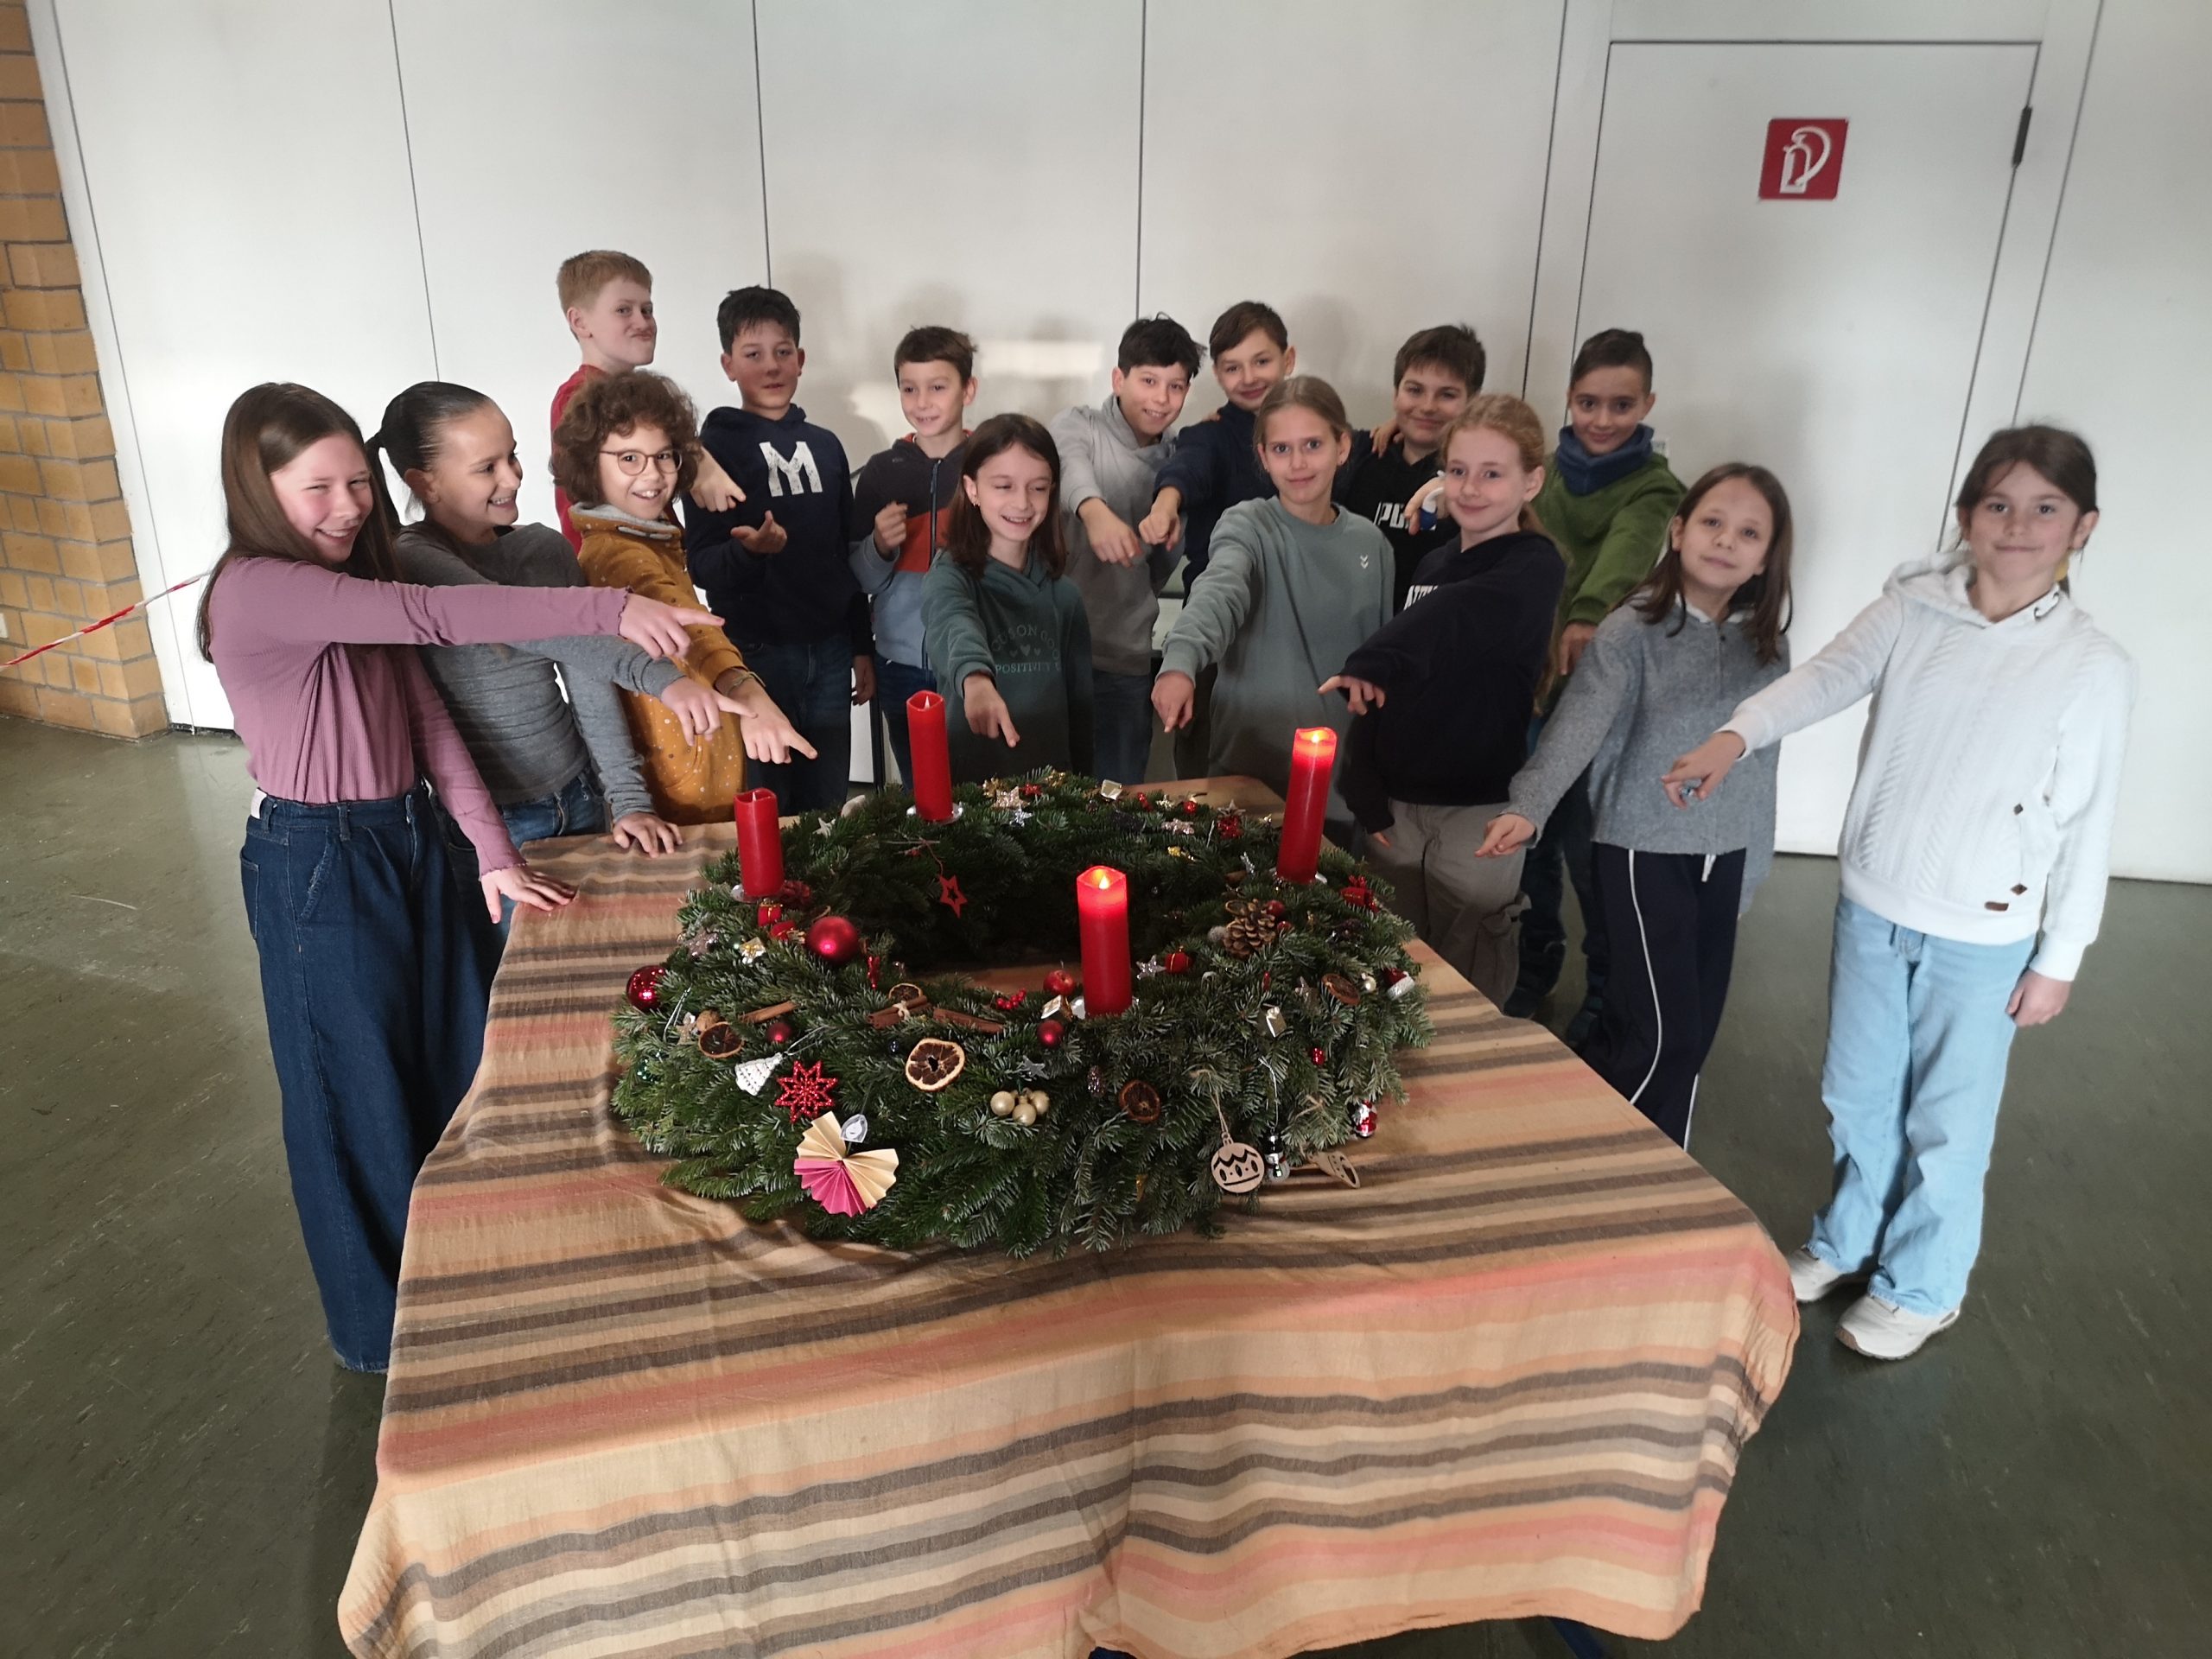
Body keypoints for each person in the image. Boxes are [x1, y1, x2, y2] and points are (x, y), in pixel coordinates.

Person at [200, 382, 715, 1371]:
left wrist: (492, 851)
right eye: (317, 488)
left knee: (454, 1065)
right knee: (354, 1095)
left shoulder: (351, 572)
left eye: (356, 482)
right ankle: (381, 1335)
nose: (347, 506)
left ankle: (461, 1272)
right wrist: (611, 604)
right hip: (318, 860)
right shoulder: (262, 587)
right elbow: (438, 615)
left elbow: (427, 721)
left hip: (406, 839)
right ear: (260, 491)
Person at [1664, 426, 2133, 1359]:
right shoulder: (1912, 609)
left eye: (2044, 508)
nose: (2018, 525)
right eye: (1998, 504)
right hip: (1875, 908)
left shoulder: (2093, 665)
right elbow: (1828, 677)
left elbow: (2089, 818)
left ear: (2082, 527)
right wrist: (1736, 735)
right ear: (1966, 515)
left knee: (1948, 1121)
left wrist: (2061, 955)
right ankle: (1850, 1239)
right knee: (1857, 1091)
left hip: (1985, 934)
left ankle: (1923, 1285)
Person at [1479, 463, 1796, 1145]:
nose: (1726, 540)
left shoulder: (1768, 646)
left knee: (1688, 1033)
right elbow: (1577, 727)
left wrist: (1755, 865)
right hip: (1640, 850)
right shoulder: (1632, 630)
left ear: (1767, 557)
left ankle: (1626, 1149)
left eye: (1749, 533)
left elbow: (1765, 765)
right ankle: (1630, 1168)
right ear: (1678, 531)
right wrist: (1529, 806)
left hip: (1727, 855)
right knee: (1663, 1038)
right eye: (1712, 522)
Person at [376, 381, 757, 934]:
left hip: (580, 797)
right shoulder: (414, 562)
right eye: (487, 468)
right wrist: (661, 677)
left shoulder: (543, 549)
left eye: (512, 456)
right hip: (497, 824)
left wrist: (628, 800)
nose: (514, 478)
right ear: (424, 482)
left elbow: (587, 678)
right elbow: (528, 623)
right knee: (523, 967)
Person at [1417, 328, 1684, 1038]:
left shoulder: (1654, 486)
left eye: (1621, 405)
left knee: (1587, 850)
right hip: (1531, 691)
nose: (1602, 419)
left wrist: (1588, 615)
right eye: (1588, 402)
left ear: (1647, 405)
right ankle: (1534, 968)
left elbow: (1626, 552)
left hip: (1599, 694)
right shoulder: (1545, 470)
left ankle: (1605, 995)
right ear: (1569, 399)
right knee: (1527, 840)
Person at [1324, 395, 1562, 1003]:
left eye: (1492, 473)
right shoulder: (1432, 563)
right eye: (1457, 471)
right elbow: (1396, 680)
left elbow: (1455, 615)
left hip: (1477, 813)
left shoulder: (1534, 566)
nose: (1470, 488)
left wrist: (1374, 654)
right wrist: (1362, 781)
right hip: (1398, 808)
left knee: (1469, 973)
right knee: (1393, 964)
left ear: (1531, 482)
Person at [556, 370, 813, 823]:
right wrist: (750, 694)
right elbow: (691, 627)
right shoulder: (617, 551)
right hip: (682, 774)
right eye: (630, 458)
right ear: (589, 464)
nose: (653, 474)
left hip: (695, 754)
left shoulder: (645, 534)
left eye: (664, 456)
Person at [1153, 376, 1392, 833]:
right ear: (1263, 456)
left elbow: (1379, 660)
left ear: (1342, 447)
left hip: (1339, 785)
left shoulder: (1373, 544)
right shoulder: (1246, 525)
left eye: (1313, 445)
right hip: (1250, 775)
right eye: (1282, 449)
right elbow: (1218, 591)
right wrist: (1181, 661)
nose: (1298, 463)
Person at [684, 285, 873, 813]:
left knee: (827, 801)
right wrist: (751, 552)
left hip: (831, 650)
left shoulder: (828, 445)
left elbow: (845, 554)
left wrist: (860, 644)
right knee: (768, 803)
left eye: (782, 351)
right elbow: (702, 565)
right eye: (753, 354)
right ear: (728, 365)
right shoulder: (710, 452)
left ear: (801, 359)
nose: (771, 366)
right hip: (756, 656)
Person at [1139, 301, 1294, 779]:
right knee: (1205, 768)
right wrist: (1165, 506)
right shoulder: (1209, 435)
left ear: (1288, 360)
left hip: (1293, 625)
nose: (1248, 377)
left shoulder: (1315, 429)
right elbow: (1186, 470)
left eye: (1261, 361)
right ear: (1218, 375)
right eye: (1232, 367)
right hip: (1217, 633)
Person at [1050, 315, 1198, 784]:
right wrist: (1094, 513)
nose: (1161, 398)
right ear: (1119, 379)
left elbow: (1159, 568)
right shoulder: (1080, 424)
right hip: (1052, 651)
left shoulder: (1179, 460)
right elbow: (1067, 463)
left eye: (1176, 386)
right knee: (1042, 795)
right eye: (1148, 381)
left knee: (1118, 797)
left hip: (1125, 658)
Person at [921, 414, 1094, 782]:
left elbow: (1080, 711)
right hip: (971, 793)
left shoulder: (1066, 596)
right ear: (972, 489)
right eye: (1003, 486)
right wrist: (976, 679)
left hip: (1053, 794)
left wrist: (1083, 787)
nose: (1022, 502)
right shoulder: (949, 577)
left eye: (1038, 488)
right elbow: (953, 622)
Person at [548, 250, 741, 547]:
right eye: (623, 310)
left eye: (647, 310)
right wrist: (699, 459)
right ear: (580, 321)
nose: (643, 322)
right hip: (617, 565)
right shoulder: (577, 397)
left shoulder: (644, 398)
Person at [851, 326, 976, 784]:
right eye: (909, 388)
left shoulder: (990, 465)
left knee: (981, 790)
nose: (922, 401)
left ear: (968, 389)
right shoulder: (881, 471)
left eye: (938, 387)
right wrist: (880, 546)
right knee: (920, 789)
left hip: (973, 660)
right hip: (899, 663)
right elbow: (859, 579)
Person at [1339, 323, 1484, 608]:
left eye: (1447, 395)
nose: (1428, 406)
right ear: (1396, 394)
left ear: (1473, 402)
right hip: (1353, 626)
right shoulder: (1357, 454)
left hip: (1436, 627)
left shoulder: (1483, 483)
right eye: (1415, 390)